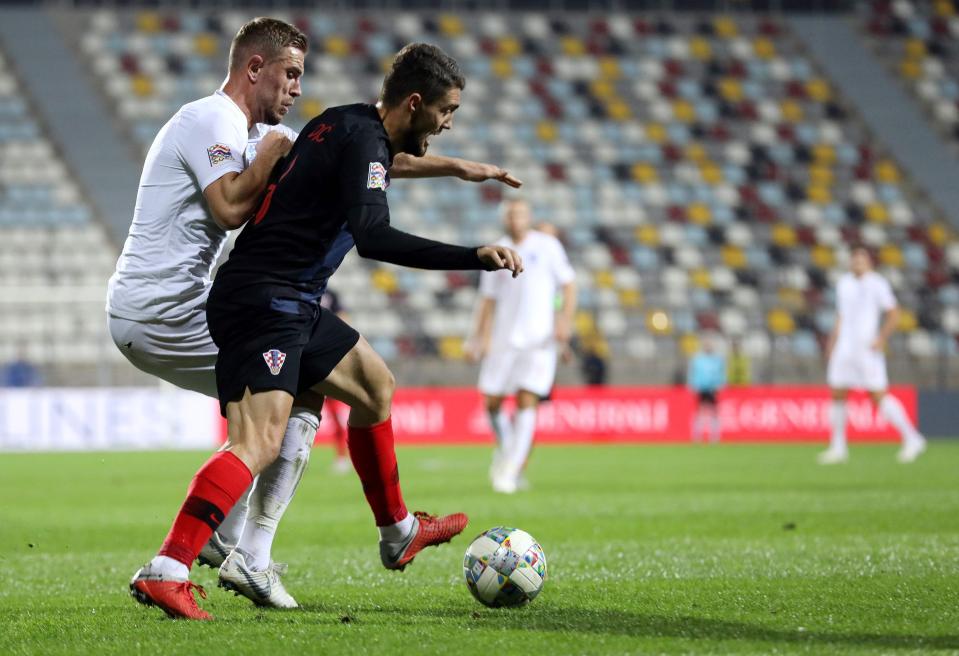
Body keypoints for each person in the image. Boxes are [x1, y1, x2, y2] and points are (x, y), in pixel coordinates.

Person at [108, 18, 522, 611]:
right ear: (413, 102)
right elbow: (362, 231)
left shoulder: (343, 124)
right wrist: (473, 257)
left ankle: (392, 532)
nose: (298, 87)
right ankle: (174, 562)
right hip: (247, 301)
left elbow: (379, 167)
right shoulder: (220, 121)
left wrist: (461, 165)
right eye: (446, 109)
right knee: (260, 439)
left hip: (284, 299)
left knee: (372, 387)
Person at [468, 199, 576, 494]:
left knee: (528, 399)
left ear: (529, 217)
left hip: (539, 340)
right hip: (504, 340)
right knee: (492, 404)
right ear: (505, 218)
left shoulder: (548, 246)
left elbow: (568, 284)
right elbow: (487, 299)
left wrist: (564, 321)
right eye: (511, 214)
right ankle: (506, 453)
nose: (516, 218)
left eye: (521, 213)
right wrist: (479, 337)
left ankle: (511, 471)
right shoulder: (496, 250)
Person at [820, 246, 927, 464]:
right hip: (845, 347)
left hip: (866, 347)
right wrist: (832, 342)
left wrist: (881, 339)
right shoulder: (844, 283)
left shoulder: (877, 283)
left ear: (869, 262)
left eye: (861, 260)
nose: (857, 263)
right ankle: (838, 447)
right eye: (854, 260)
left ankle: (912, 437)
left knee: (878, 394)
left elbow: (894, 313)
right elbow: (841, 315)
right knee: (837, 392)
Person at [319, 287, 350, 473]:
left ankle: (341, 456)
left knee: (337, 416)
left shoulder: (331, 293)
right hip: (303, 357)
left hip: (328, 362)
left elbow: (344, 318)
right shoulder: (301, 287)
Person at [687, 336, 726, 443]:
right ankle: (697, 436)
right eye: (706, 345)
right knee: (699, 412)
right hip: (701, 387)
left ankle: (715, 436)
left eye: (709, 345)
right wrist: (692, 385)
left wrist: (720, 384)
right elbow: (693, 373)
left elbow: (721, 373)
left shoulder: (717, 359)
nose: (708, 347)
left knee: (714, 412)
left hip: (712, 388)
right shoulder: (698, 359)